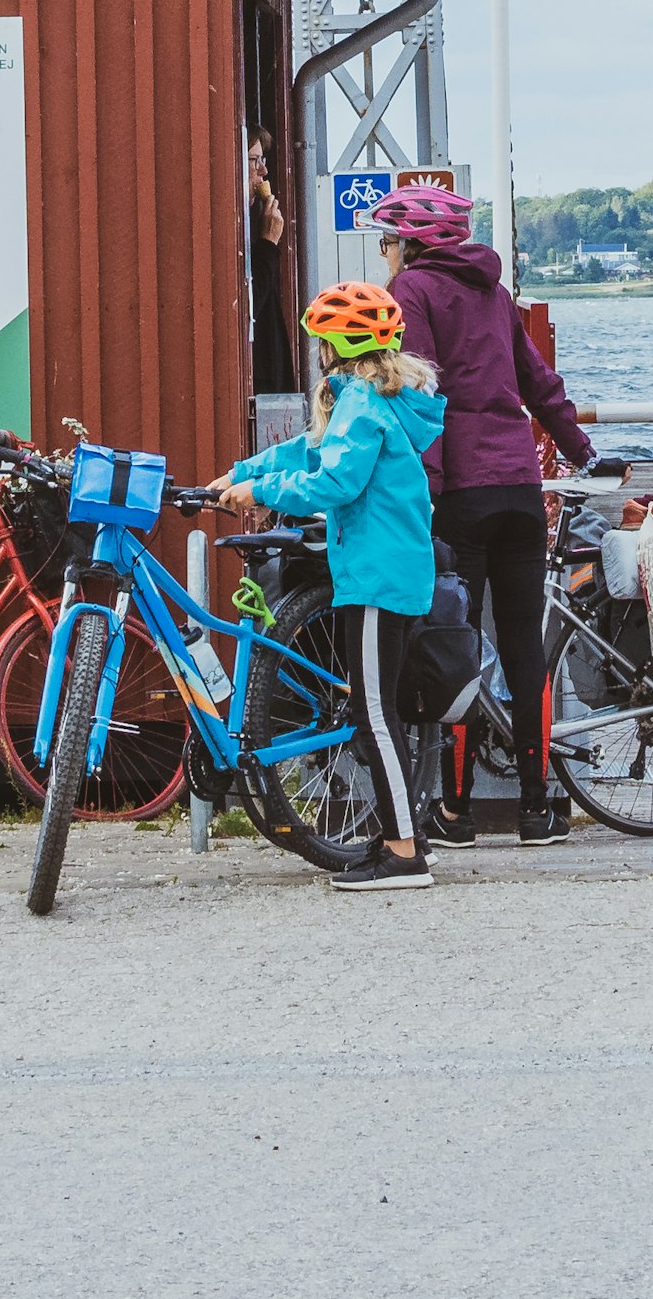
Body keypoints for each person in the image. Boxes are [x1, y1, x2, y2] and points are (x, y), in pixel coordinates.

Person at [198, 281, 446, 894]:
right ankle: (399, 836)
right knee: (375, 711)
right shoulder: (371, 400)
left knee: (375, 716)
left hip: (376, 576)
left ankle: (405, 854)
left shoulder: (361, 405)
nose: (317, 355)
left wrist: (261, 493)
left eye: (320, 344)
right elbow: (309, 449)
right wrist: (244, 471)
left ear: (336, 346)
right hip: (383, 570)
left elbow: (334, 482)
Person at [371, 183, 594, 846]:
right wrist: (581, 450)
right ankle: (536, 806)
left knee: (456, 646)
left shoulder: (412, 293)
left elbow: (421, 392)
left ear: (411, 242)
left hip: (461, 492)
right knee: (525, 647)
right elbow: (537, 383)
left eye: (387, 241)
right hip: (520, 487)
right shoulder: (495, 295)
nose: (384, 254)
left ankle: (456, 811)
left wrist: (427, 488)